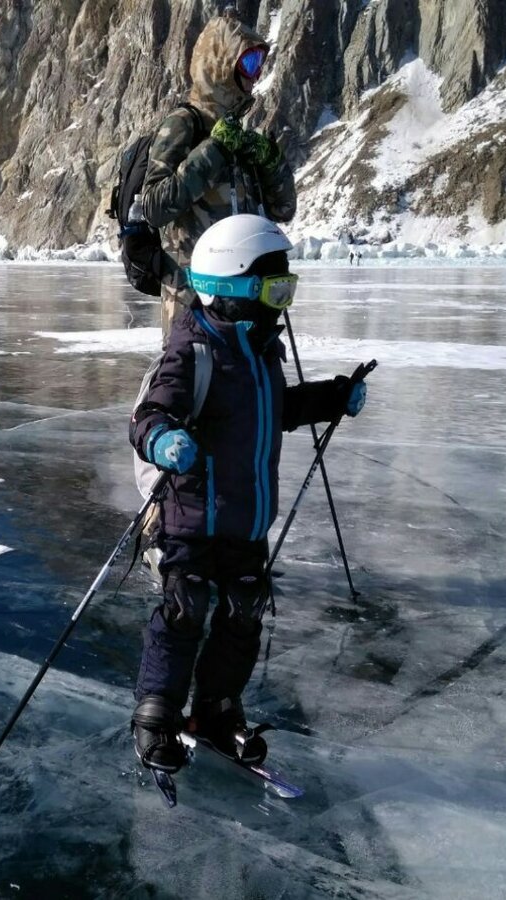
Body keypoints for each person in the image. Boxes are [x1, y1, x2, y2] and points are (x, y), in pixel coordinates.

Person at [128, 215, 368, 772]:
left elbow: (276, 411)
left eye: (288, 287)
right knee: (184, 610)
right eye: (274, 287)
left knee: (243, 612)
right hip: (190, 516)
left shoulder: (260, 352)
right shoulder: (191, 353)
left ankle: (216, 709)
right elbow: (148, 415)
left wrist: (334, 396)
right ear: (232, 287)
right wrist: (162, 439)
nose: (283, 301)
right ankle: (156, 714)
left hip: (245, 521)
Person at [141, 9, 297, 342]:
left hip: (243, 301)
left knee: (246, 388)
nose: (254, 78)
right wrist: (214, 151)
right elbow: (154, 206)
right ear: (221, 64)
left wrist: (272, 163)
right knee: (194, 386)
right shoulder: (184, 124)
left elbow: (283, 211)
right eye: (249, 65)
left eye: (258, 67)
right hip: (192, 300)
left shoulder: (238, 135)